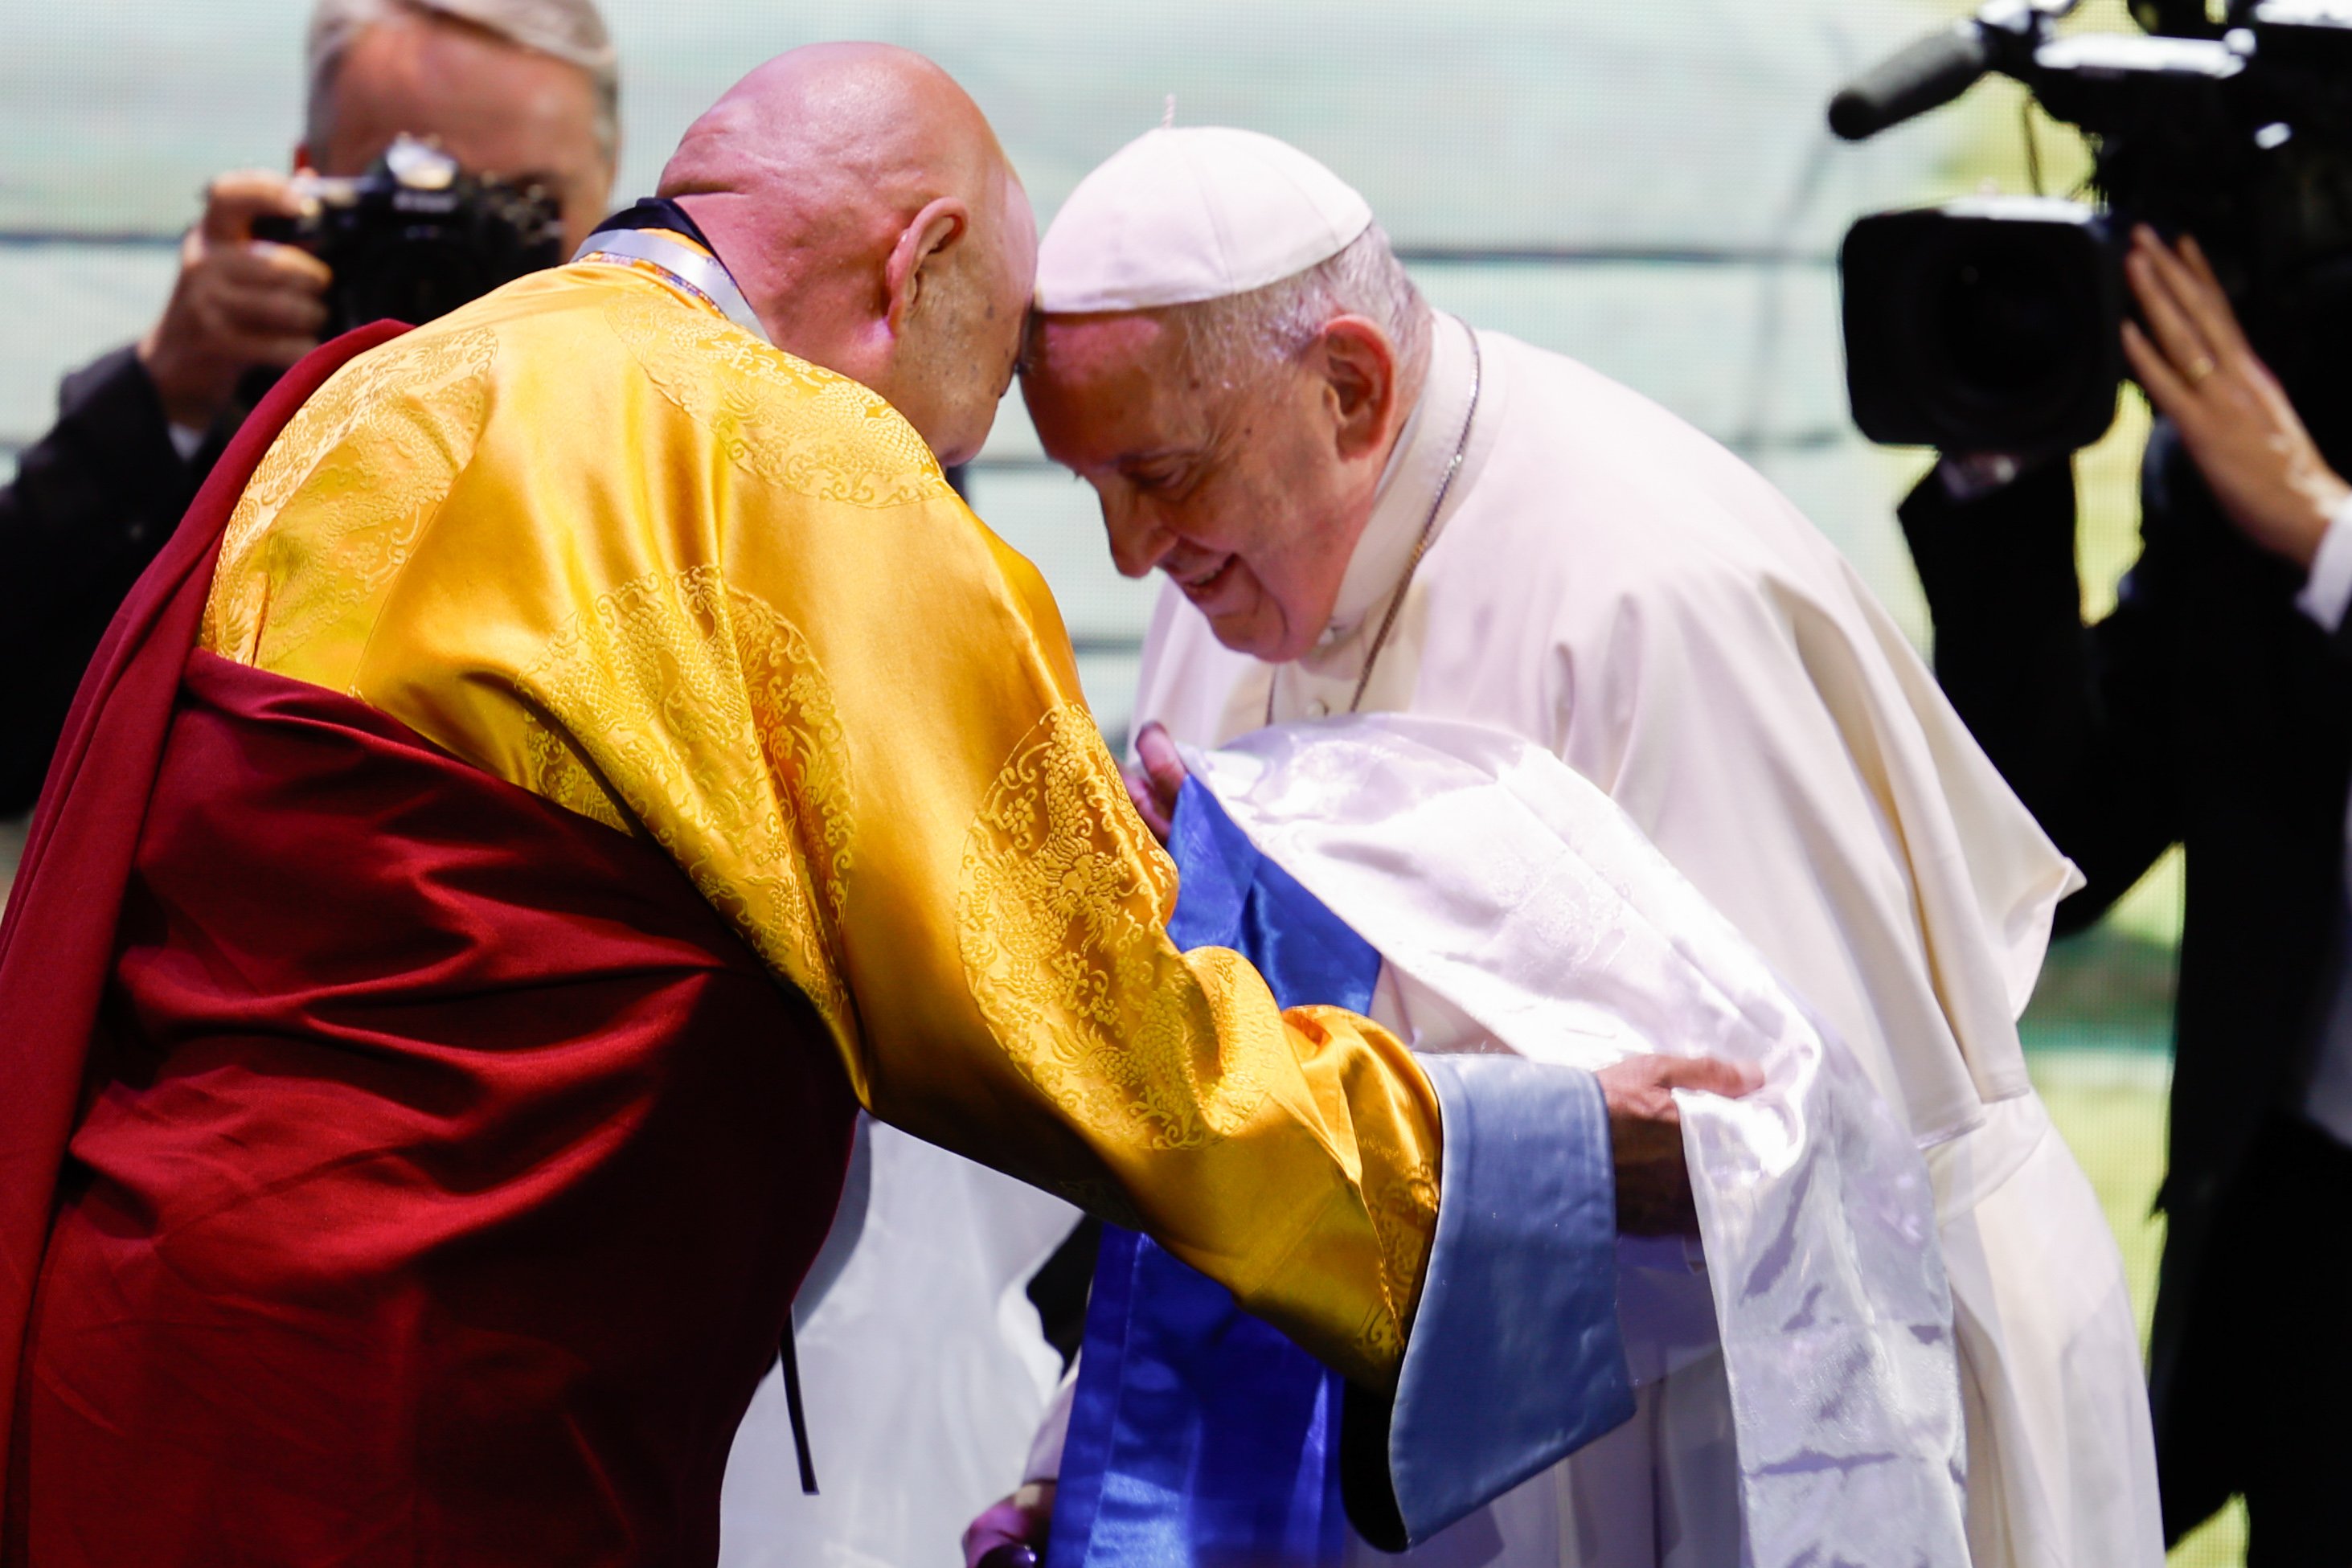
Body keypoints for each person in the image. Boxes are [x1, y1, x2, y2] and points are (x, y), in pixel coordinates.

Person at [0, 45, 1750, 1567]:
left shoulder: (381, 389)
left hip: (141, 1341)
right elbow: (1111, 1051)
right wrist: (1525, 1160)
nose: (949, 480)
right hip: (415, 1409)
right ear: (914, 272)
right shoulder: (792, 453)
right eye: (973, 426)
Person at [1015, 125, 2163, 1566]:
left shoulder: (1641, 599)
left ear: (1352, 387)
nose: (1131, 555)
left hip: (1765, 1421)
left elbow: (1790, 1172)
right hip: (1498, 1427)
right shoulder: (1235, 582)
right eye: (1092, 487)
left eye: (1162, 474)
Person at [1899, 226, 2352, 1563]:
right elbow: (2056, 844)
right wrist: (2006, 435)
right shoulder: (2266, 426)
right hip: (2308, 1230)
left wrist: (2331, 539)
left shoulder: (2289, 477)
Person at [0, 0, 619, 818]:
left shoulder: (665, 455)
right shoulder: (208, 428)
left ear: (608, 198)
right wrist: (166, 397)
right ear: (308, 186)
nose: (448, 256)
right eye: (402, 201)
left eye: (515, 203)